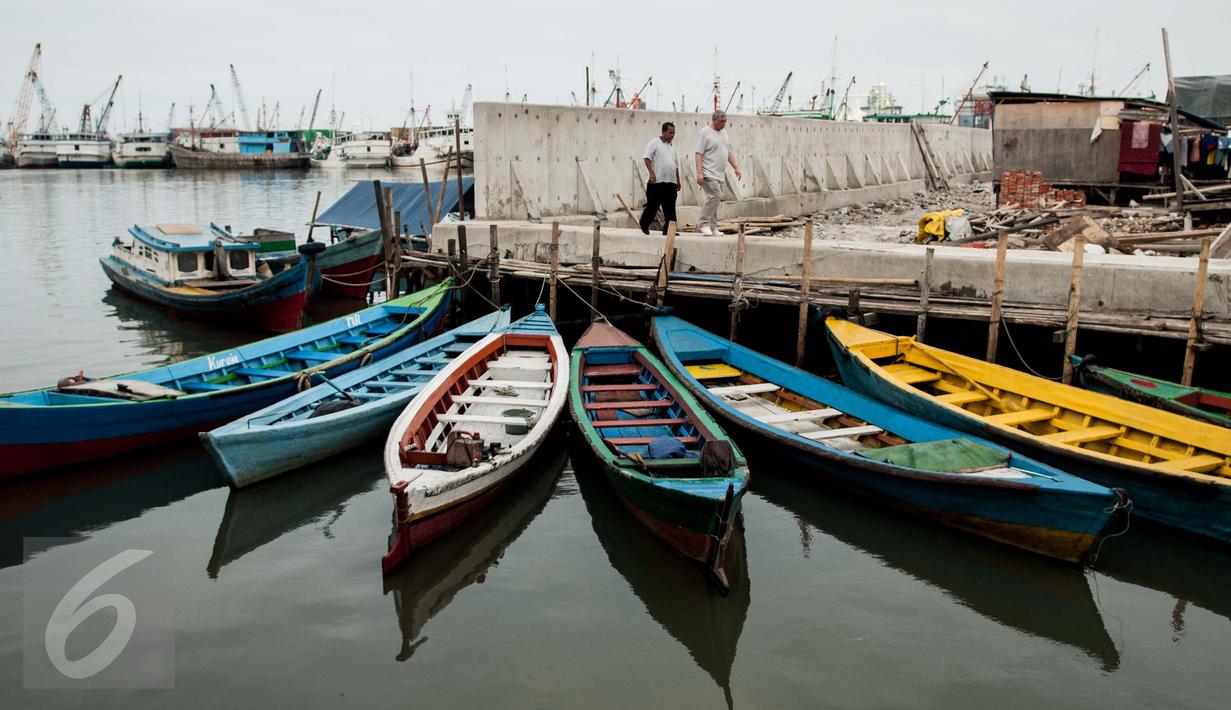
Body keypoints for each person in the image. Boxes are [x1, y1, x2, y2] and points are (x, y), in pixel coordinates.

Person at [694, 110, 741, 235]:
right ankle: (703, 223)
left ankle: (713, 227)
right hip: (708, 173)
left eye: (725, 121)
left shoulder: (724, 133)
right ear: (714, 120)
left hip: (720, 174)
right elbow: (698, 154)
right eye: (721, 121)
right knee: (715, 196)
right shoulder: (705, 133)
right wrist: (699, 173)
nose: (724, 124)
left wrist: (736, 167)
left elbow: (728, 152)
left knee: (715, 200)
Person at [639, 122, 679, 235]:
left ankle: (669, 230)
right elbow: (647, 158)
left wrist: (678, 180)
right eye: (670, 132)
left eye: (674, 133)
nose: (672, 135)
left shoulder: (672, 147)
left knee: (670, 208)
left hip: (670, 182)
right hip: (657, 182)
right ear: (663, 132)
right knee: (653, 205)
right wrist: (651, 173)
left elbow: (676, 165)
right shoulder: (655, 143)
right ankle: (644, 224)